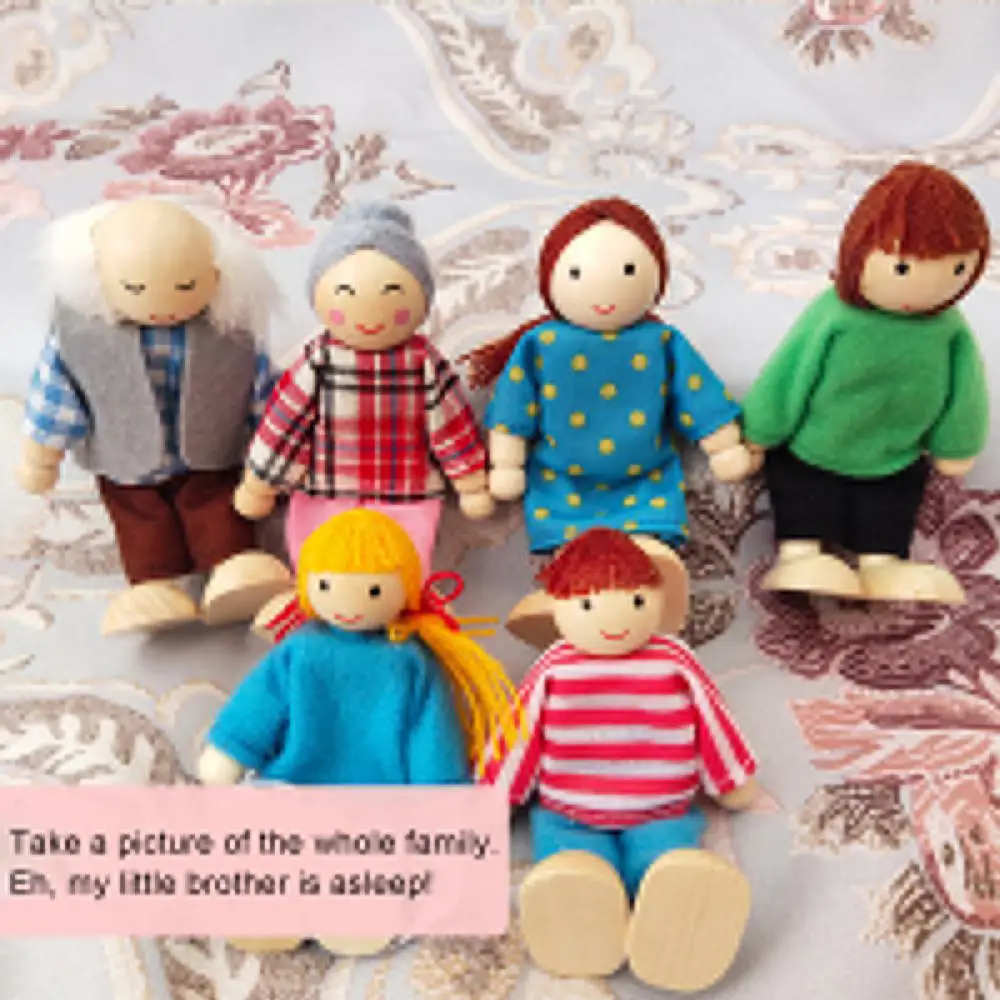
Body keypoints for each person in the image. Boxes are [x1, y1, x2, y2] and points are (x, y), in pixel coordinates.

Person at [17, 198, 291, 635]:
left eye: (186, 286)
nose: (163, 305)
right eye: (135, 288)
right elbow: (57, 394)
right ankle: (152, 584)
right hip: (125, 464)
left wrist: (277, 451)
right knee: (140, 518)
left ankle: (233, 565)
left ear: (216, 275)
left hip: (213, 454)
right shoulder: (81, 337)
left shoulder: (231, 333)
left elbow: (263, 393)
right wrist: (41, 456)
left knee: (218, 505)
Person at [739, 162, 991, 603]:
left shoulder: (949, 329)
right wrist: (762, 429)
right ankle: (800, 553)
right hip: (813, 451)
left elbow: (965, 390)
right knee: (803, 493)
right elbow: (791, 372)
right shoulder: (835, 314)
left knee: (891, 505)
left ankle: (883, 564)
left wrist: (956, 444)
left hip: (894, 457)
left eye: (955, 270)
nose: (918, 289)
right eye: (903, 268)